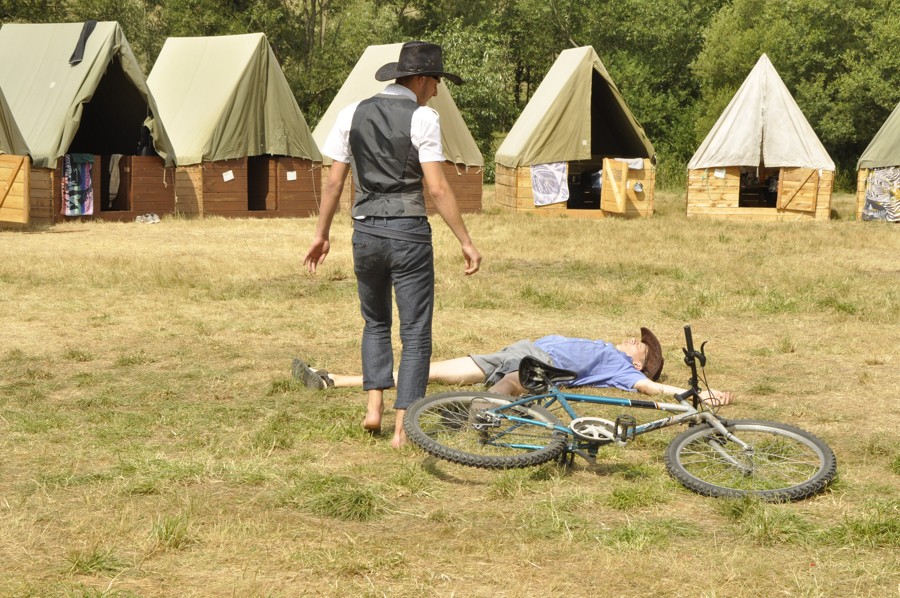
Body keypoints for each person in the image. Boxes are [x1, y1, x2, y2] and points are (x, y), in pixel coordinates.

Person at [303, 41, 482, 449]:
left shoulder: (351, 113)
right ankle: (403, 429)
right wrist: (466, 241)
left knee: (375, 322)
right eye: (435, 80)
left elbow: (333, 182)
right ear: (418, 79)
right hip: (408, 233)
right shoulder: (423, 117)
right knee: (415, 332)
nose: (437, 89)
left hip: (365, 233)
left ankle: (374, 409)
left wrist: (321, 234)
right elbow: (437, 187)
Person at [293, 327, 734, 406]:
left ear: (640, 361)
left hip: (538, 363)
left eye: (639, 346)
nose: (632, 340)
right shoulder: (606, 348)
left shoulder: (623, 368)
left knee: (506, 382)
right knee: (430, 368)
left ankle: (479, 411)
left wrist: (699, 395)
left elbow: (649, 390)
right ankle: (335, 379)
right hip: (519, 350)